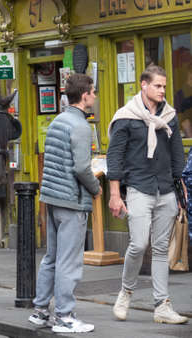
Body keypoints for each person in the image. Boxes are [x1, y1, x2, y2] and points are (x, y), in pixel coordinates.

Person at [107, 65, 188, 324]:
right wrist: (114, 195)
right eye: (158, 86)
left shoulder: (171, 116)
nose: (162, 90)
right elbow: (115, 157)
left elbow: (177, 155)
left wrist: (180, 188)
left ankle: (162, 306)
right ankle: (126, 291)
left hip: (165, 190)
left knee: (161, 248)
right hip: (139, 188)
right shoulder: (126, 117)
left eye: (164, 86)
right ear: (144, 85)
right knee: (139, 244)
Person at [29, 73, 102, 333]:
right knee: (69, 262)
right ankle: (64, 316)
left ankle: (40, 312)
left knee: (51, 258)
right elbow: (82, 168)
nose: (95, 95)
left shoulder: (58, 121)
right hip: (72, 201)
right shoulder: (81, 126)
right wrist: (96, 188)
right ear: (84, 96)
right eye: (93, 92)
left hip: (52, 198)